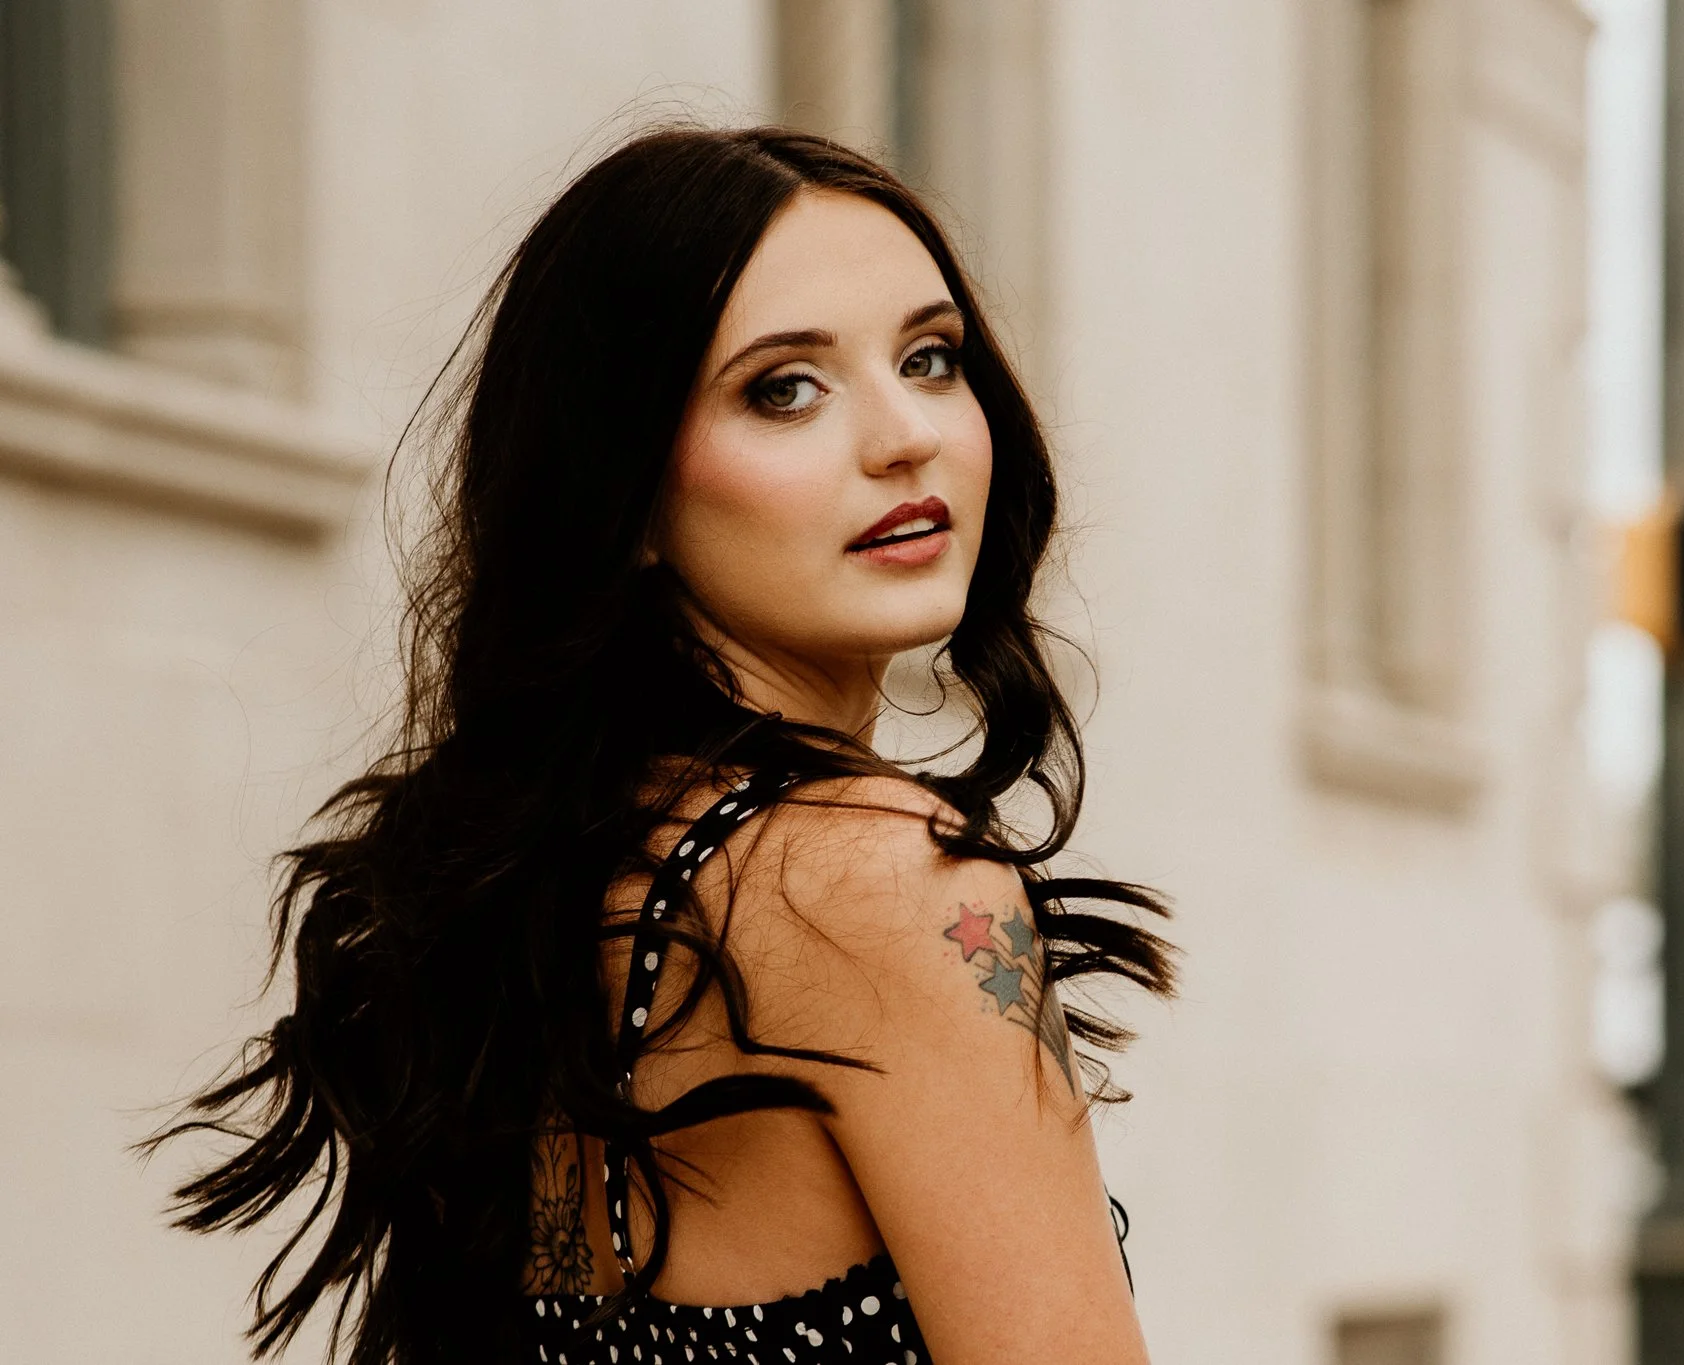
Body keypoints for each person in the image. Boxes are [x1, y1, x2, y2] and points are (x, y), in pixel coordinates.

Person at [155, 127, 1175, 1365]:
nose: (904, 434)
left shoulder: (562, 881)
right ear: (626, 494)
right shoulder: (880, 878)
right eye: (782, 388)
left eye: (929, 357)